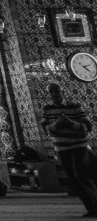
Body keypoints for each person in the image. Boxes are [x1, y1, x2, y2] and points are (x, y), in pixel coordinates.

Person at [43, 82, 97, 217]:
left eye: (57, 91)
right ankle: (90, 208)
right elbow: (46, 129)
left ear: (63, 92)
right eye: (52, 92)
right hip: (61, 148)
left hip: (78, 147)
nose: (55, 94)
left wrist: (70, 123)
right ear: (49, 94)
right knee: (73, 179)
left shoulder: (74, 106)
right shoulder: (47, 109)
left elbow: (87, 126)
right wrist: (58, 124)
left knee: (82, 176)